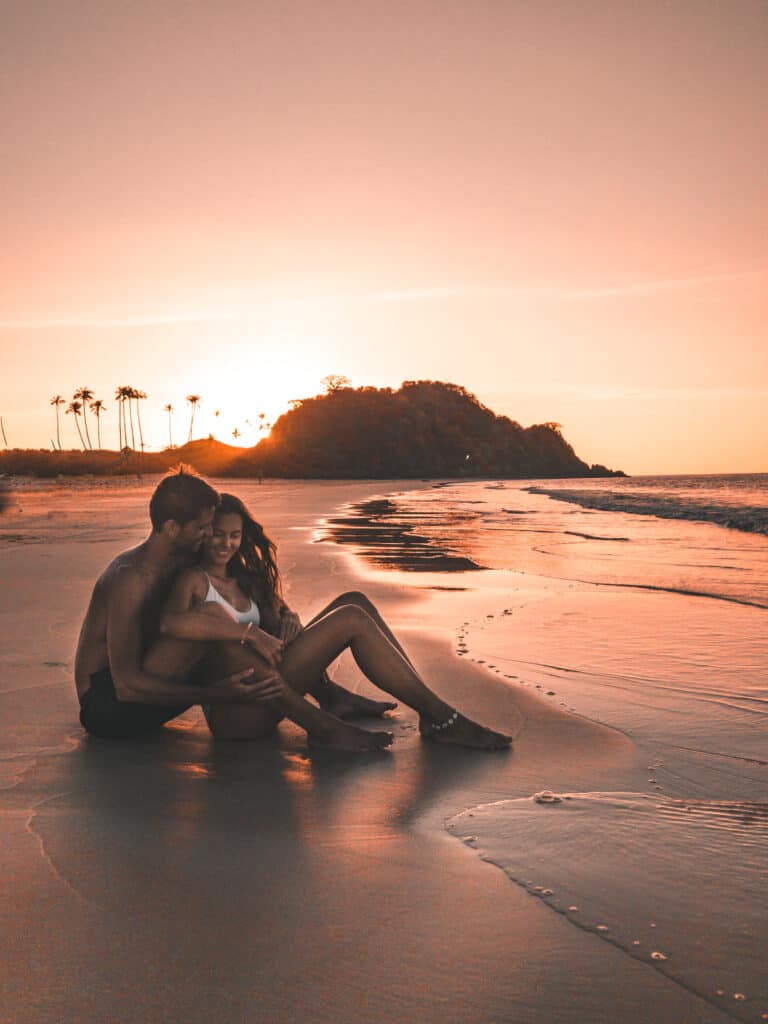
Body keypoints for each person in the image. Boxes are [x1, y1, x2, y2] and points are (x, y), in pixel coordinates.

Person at [147, 491, 511, 752]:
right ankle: (441, 718)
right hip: (239, 713)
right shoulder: (194, 580)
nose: (225, 543)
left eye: (234, 535)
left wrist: (288, 617)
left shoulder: (245, 579)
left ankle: (423, 709)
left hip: (277, 692)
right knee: (350, 619)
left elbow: (283, 611)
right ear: (204, 532)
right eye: (216, 534)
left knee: (354, 600)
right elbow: (171, 622)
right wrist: (248, 633)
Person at [75, 468, 281, 739]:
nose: (209, 534)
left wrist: (285, 613)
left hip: (152, 685)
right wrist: (216, 694)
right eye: (202, 527)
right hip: (109, 707)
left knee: (212, 619)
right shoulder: (130, 577)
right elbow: (126, 685)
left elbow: (237, 587)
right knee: (210, 616)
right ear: (172, 528)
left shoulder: (182, 560)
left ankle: (308, 699)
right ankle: (312, 718)